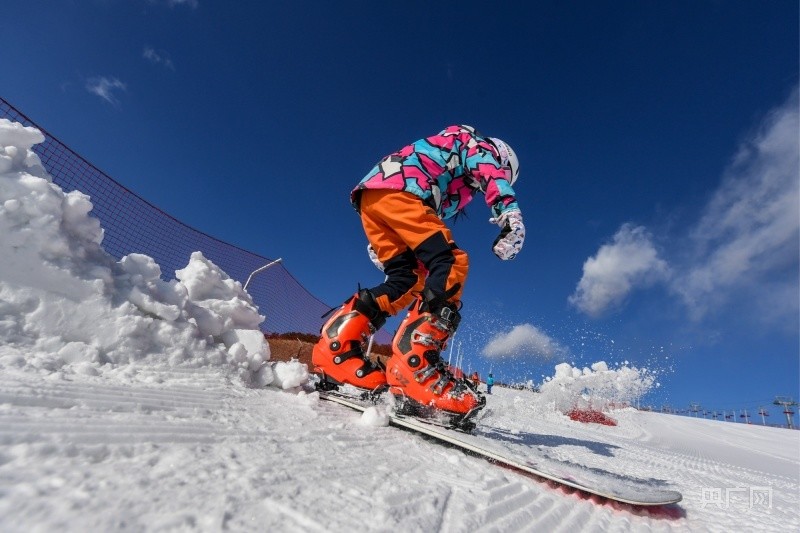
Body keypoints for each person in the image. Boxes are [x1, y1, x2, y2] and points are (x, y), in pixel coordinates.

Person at [312, 125, 524, 417]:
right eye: (479, 184)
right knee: (450, 262)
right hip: (402, 192)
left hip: (374, 198)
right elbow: (486, 167)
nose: (476, 188)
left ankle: (337, 349)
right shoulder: (476, 146)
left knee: (409, 279)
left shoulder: (444, 170)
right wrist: (508, 212)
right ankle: (416, 367)